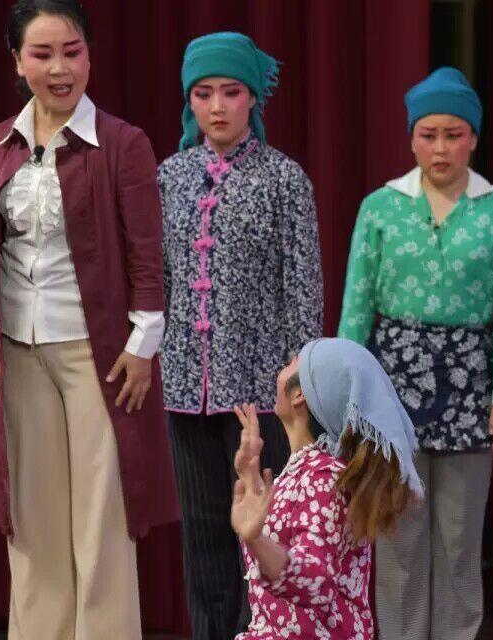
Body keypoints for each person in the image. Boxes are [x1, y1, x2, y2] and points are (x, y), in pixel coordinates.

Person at [0, 1, 177, 637]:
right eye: (43, 54)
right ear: (17, 62)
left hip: (100, 353)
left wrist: (143, 345)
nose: (60, 68)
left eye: (72, 52)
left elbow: (147, 255)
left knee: (102, 519)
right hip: (17, 349)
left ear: (89, 55)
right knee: (31, 520)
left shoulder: (122, 143)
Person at [338, 67, 493, 639]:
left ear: (473, 138)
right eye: (429, 134)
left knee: (460, 540)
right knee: (398, 536)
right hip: (393, 384)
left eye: (453, 134)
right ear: (411, 138)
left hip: (471, 383)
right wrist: (347, 394)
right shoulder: (381, 207)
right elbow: (357, 304)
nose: (441, 147)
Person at [158, 31, 324, 640]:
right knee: (202, 534)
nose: (218, 106)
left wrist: (298, 380)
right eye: (203, 94)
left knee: (263, 532)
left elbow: (304, 286)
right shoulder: (170, 177)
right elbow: (158, 280)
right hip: (185, 389)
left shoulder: (284, 179)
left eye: (231, 92)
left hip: (261, 392)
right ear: (189, 101)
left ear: (253, 97)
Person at [230, 337, 423, 640]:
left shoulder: (322, 478)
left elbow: (315, 580)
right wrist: (250, 478)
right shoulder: (306, 472)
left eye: (294, 362)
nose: (286, 362)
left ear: (299, 395)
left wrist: (255, 539)